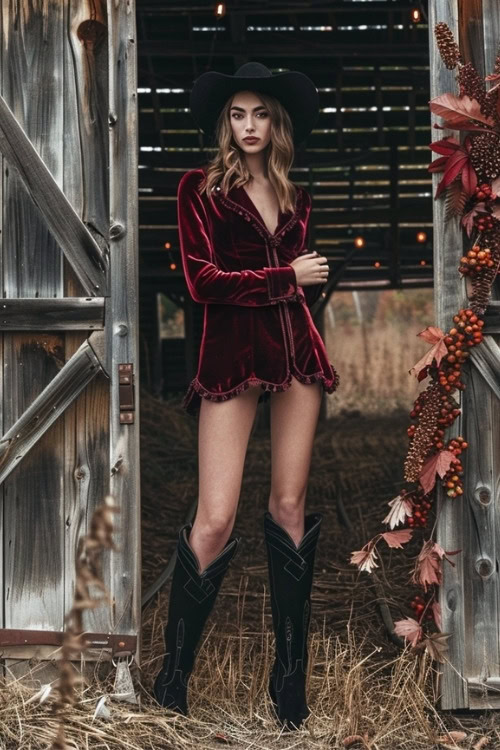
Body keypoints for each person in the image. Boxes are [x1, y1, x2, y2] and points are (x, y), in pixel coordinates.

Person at [153, 62, 340, 730]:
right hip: (232, 360)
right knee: (216, 518)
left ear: (277, 122)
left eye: (260, 114)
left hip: (296, 358)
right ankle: (173, 680)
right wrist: (284, 275)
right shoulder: (199, 190)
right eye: (238, 114)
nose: (250, 126)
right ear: (224, 123)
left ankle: (289, 684)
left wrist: (293, 284)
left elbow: (304, 288)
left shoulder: (297, 196)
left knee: (290, 507)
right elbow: (204, 282)